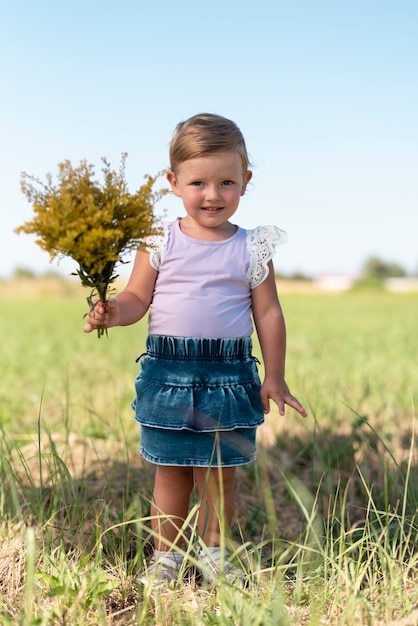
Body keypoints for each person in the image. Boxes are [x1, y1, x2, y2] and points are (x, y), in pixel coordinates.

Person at [83, 113, 307, 587]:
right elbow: (136, 300)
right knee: (171, 471)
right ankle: (167, 557)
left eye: (227, 181)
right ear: (173, 182)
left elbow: (268, 314)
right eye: (198, 182)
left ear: (245, 182)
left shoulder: (252, 247)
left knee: (219, 474)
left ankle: (216, 553)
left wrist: (275, 375)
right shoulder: (158, 239)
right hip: (169, 373)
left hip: (228, 376)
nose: (212, 194)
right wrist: (111, 311)